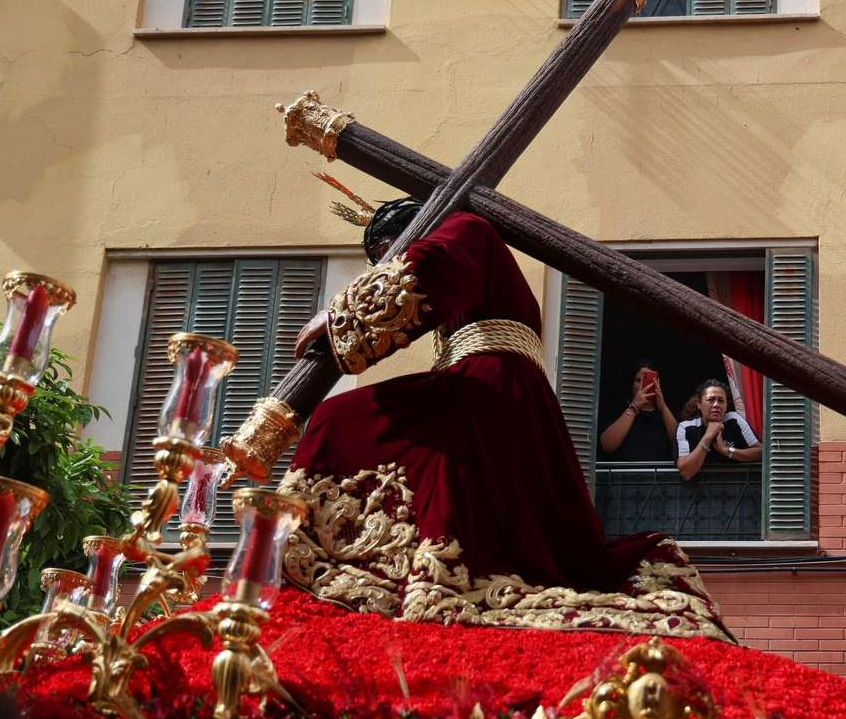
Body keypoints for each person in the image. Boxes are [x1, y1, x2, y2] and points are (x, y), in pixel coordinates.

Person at [286, 197, 732, 641]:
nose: (387, 268)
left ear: (417, 230)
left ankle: (325, 551)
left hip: (489, 385)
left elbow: (431, 266)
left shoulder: (465, 229)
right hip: (501, 393)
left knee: (336, 417)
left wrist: (343, 315)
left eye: (390, 254)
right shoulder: (466, 267)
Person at [675, 379, 762, 480]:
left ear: (726, 405)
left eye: (721, 401)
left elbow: (761, 453)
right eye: (710, 400)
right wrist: (708, 436)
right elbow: (686, 472)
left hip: (735, 484)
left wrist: (726, 451)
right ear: (699, 404)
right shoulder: (685, 428)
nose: (716, 405)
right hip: (697, 487)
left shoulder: (735, 420)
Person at [600, 360, 678, 461]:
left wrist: (663, 407)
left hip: (657, 471)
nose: (644, 385)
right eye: (638, 380)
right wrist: (634, 407)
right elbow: (608, 445)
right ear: (631, 383)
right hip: (623, 470)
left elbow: (680, 444)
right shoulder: (616, 410)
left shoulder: (665, 414)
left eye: (650, 381)